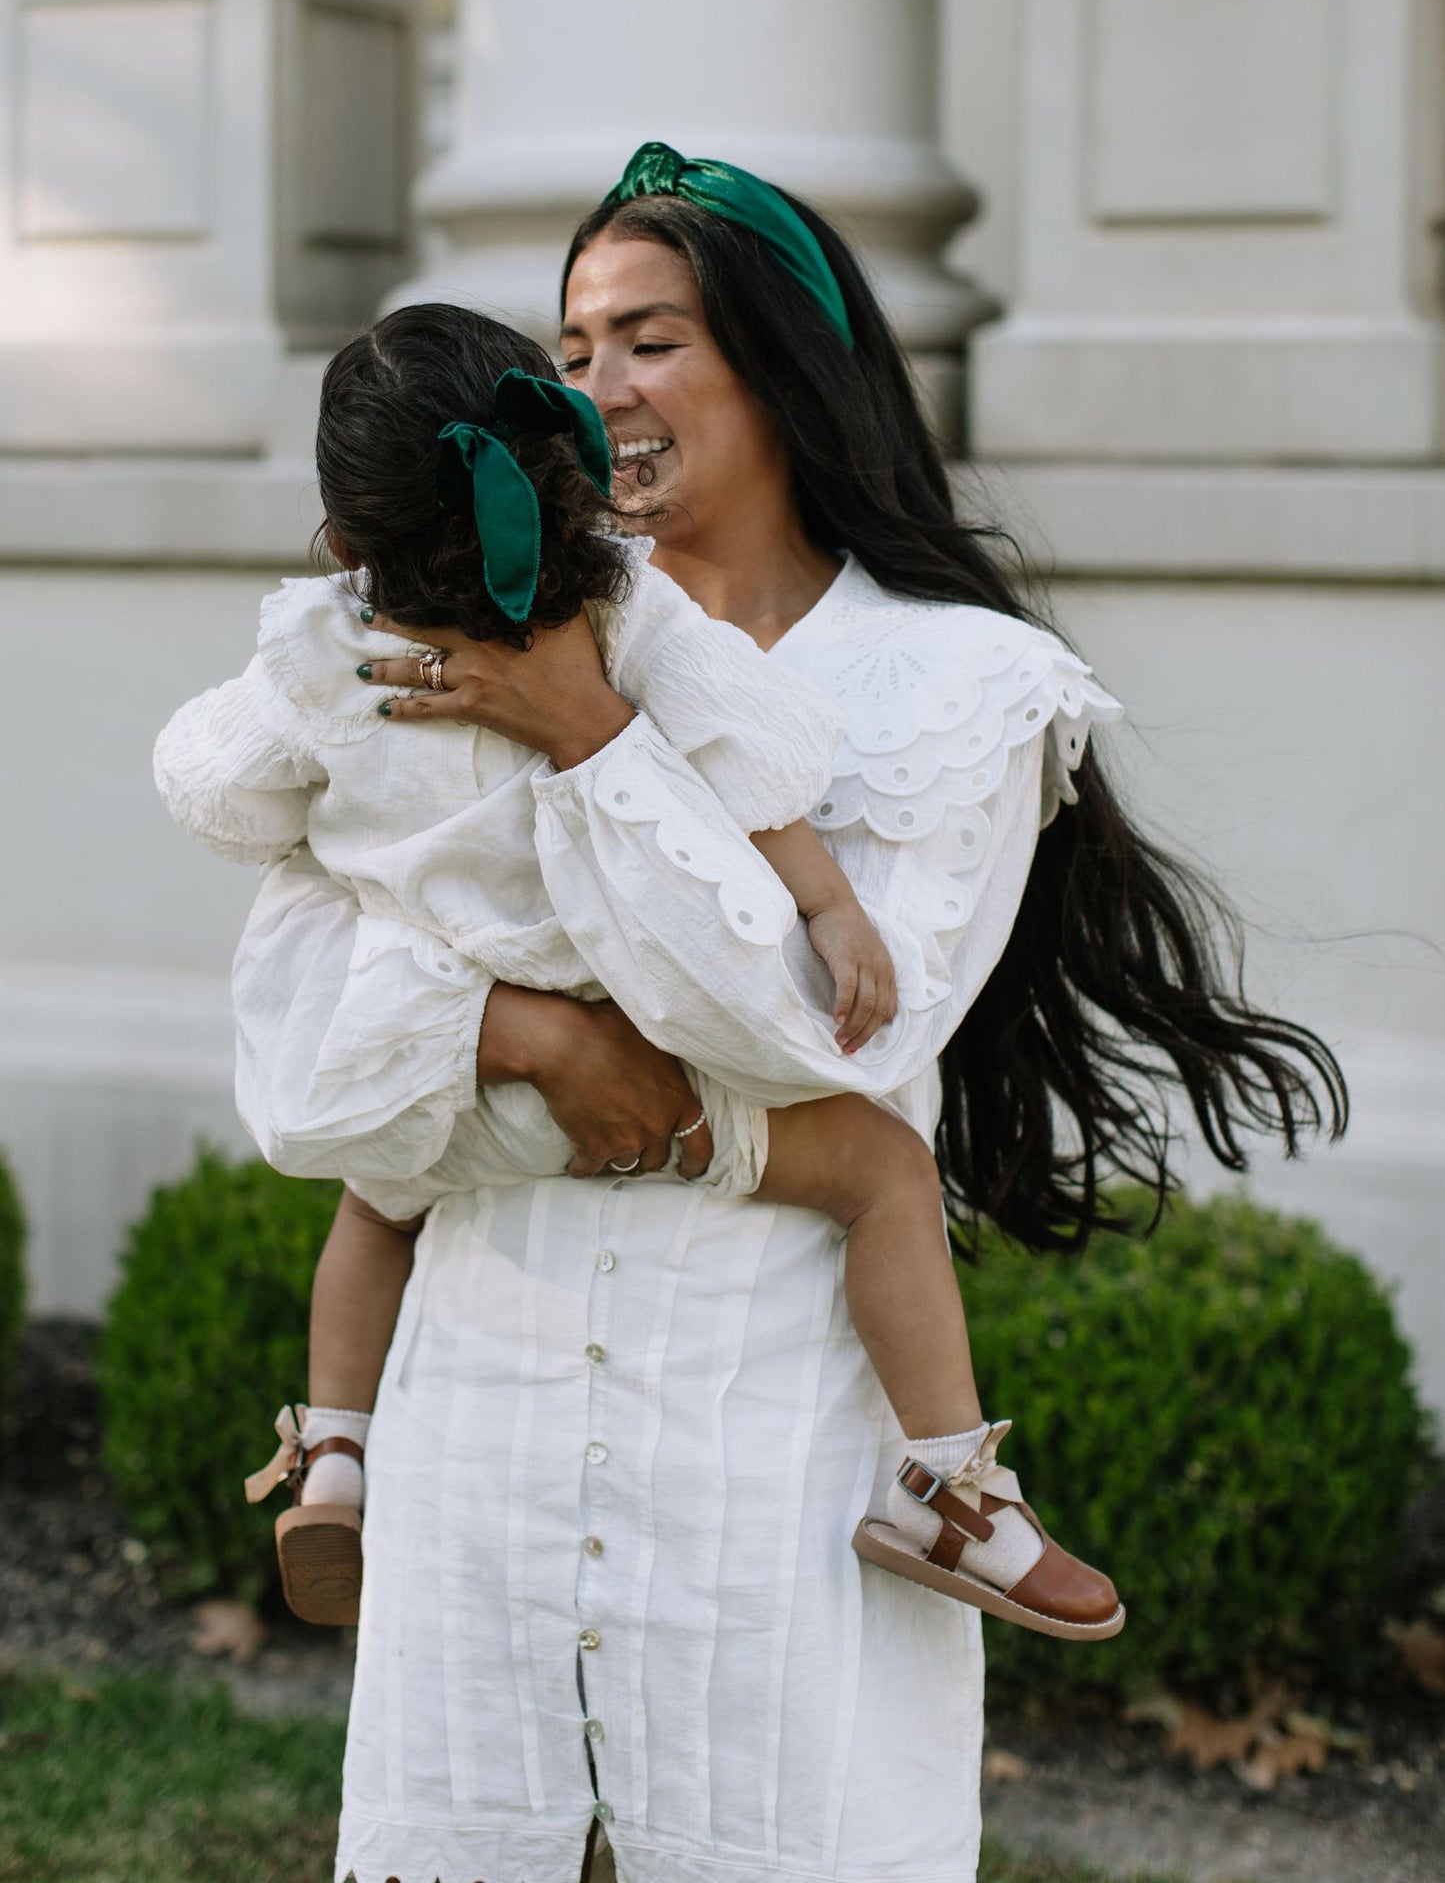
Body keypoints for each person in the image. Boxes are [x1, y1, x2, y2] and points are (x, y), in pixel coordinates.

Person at [221, 143, 1345, 1883]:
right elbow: (302, 1063)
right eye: (572, 350)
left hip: (767, 1489)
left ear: (783, 368)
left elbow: (826, 1045)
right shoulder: (443, 646)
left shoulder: (955, 691)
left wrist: (590, 742)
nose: (597, 391)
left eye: (650, 339)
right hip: (481, 1458)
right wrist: (531, 1039)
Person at [156, 295, 1123, 1642]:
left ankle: (330, 1450)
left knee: (372, 1214)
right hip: (649, 1073)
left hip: (439, 1081)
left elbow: (213, 794)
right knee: (884, 1172)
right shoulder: (622, 606)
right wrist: (830, 903)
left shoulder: (325, 655)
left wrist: (326, 810)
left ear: (342, 534)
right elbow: (757, 754)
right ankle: (947, 1486)